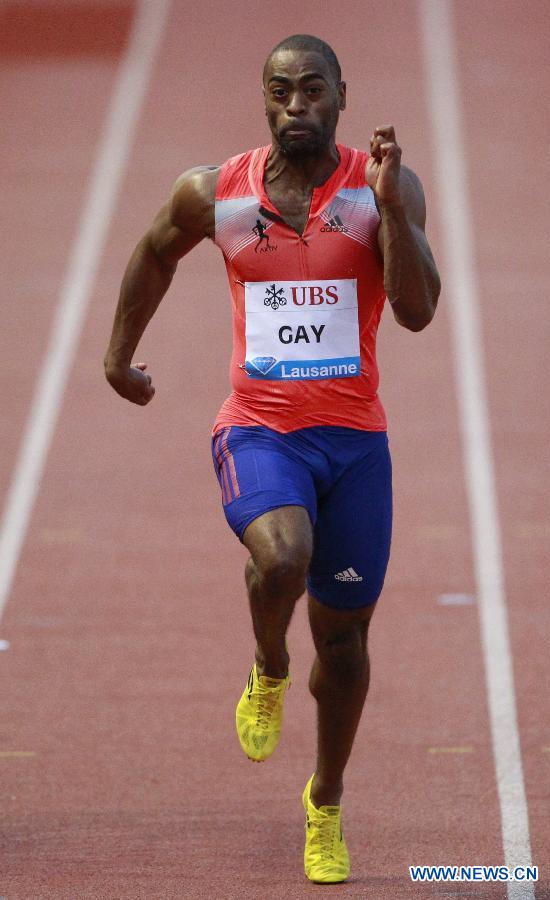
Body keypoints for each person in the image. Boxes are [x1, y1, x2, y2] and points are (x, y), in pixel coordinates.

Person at [104, 33, 440, 884]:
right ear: (264, 99)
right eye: (280, 92)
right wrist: (118, 357)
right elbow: (153, 250)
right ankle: (268, 664)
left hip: (355, 445)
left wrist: (392, 209)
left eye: (312, 91)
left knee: (350, 649)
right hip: (258, 428)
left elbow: (414, 313)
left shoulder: (378, 190)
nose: (296, 107)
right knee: (281, 556)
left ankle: (323, 803)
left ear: (340, 98)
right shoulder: (214, 193)